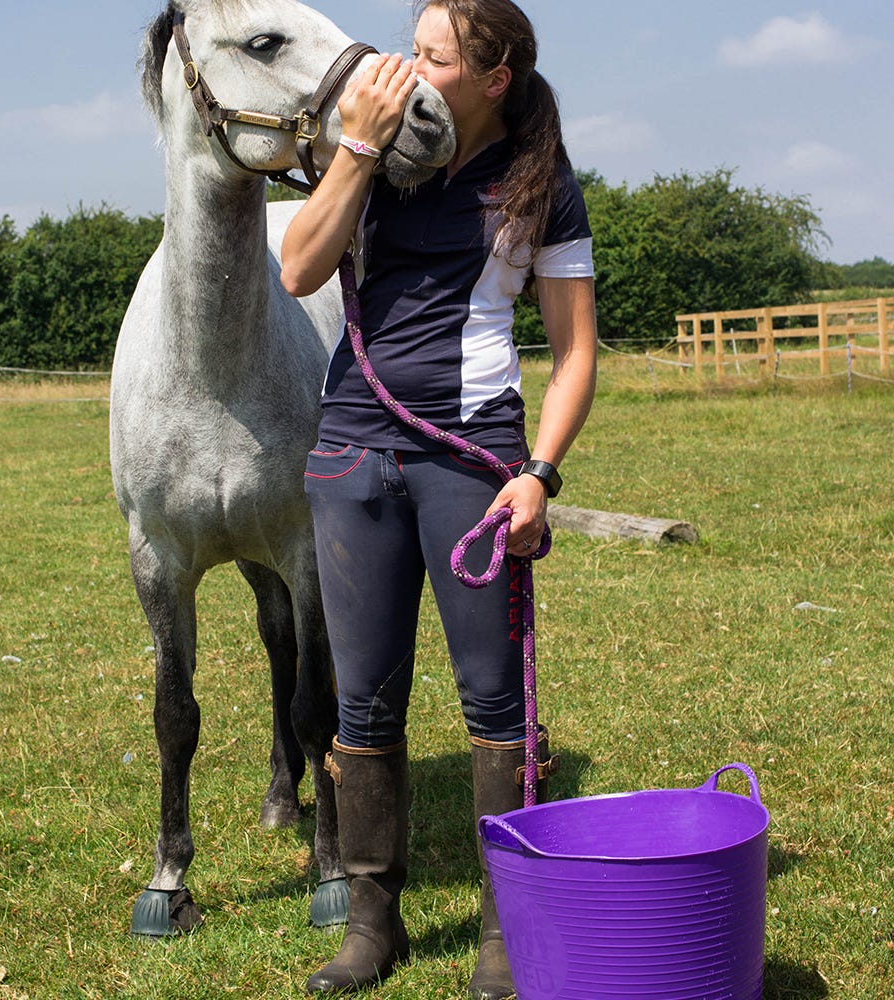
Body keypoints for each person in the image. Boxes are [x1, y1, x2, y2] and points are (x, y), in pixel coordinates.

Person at [281, 1, 597, 995]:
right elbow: (297, 268)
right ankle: (373, 925)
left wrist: (536, 472)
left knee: (494, 702)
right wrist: (356, 149)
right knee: (363, 698)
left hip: (472, 461)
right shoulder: (376, 154)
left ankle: (503, 935)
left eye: (429, 54)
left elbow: (576, 348)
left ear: (491, 76)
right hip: (350, 456)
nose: (400, 63)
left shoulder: (538, 180)